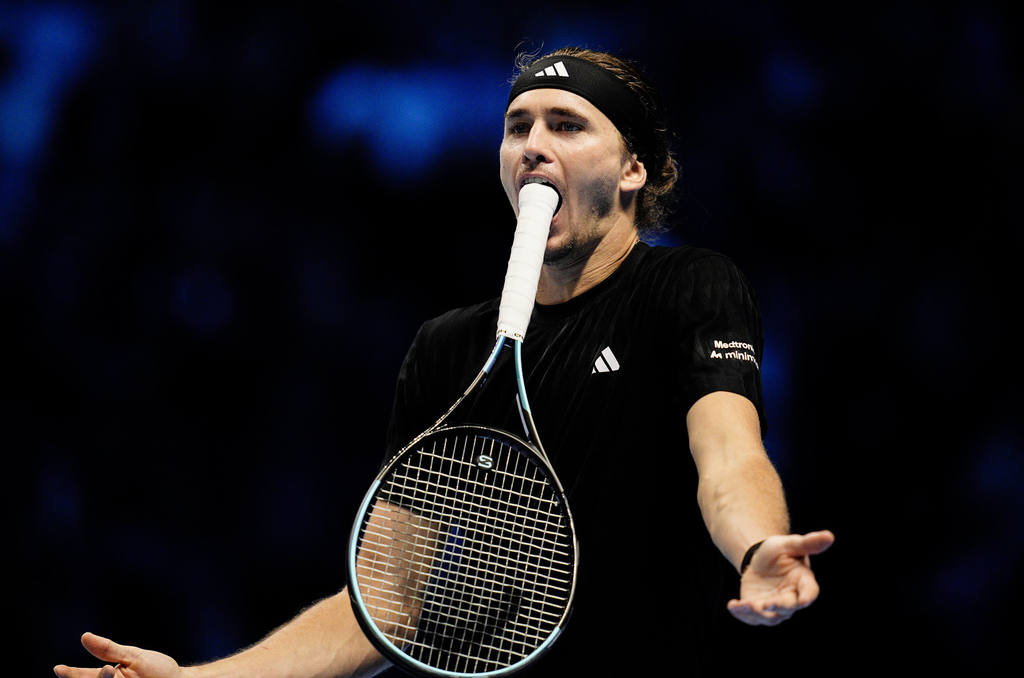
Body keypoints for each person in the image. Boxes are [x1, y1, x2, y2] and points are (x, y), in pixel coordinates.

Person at [55, 47, 834, 678]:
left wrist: (758, 547)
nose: (532, 145)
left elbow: (729, 455)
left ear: (633, 169)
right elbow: (384, 601)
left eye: (567, 125)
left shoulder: (690, 287)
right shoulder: (448, 346)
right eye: (517, 126)